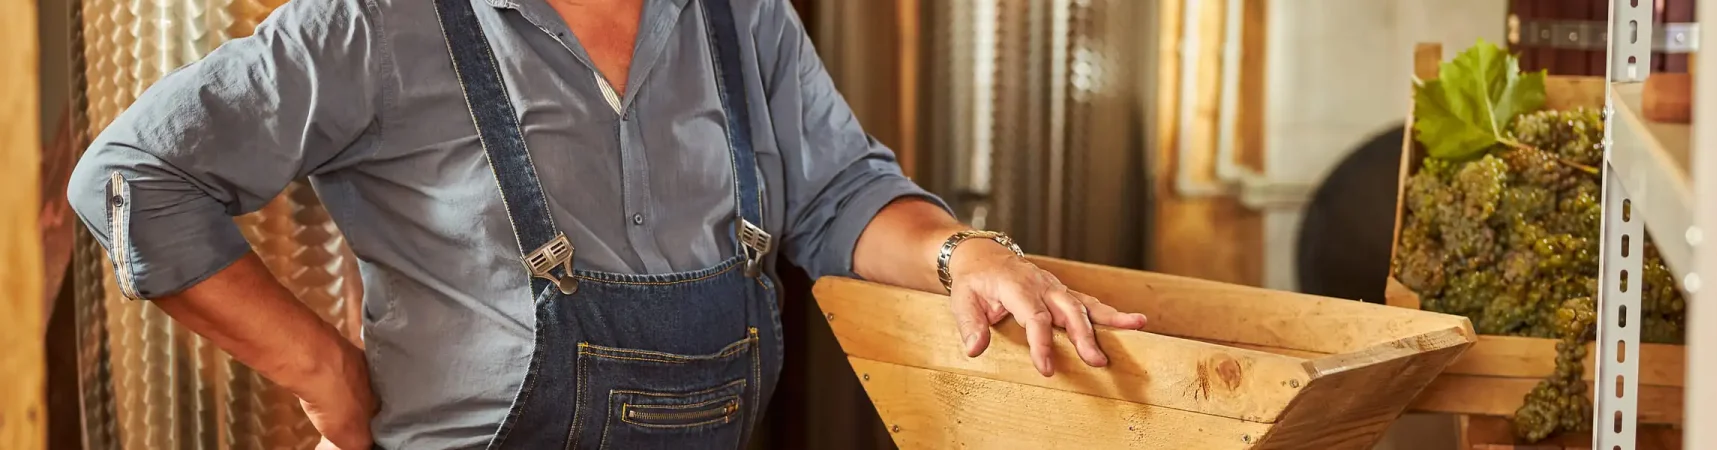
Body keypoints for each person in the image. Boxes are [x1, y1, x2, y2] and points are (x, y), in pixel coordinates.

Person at [65, 0, 1147, 448]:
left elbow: (839, 195)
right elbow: (131, 178)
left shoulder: (740, 15)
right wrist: (321, 370)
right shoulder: (375, 22)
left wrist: (967, 253)